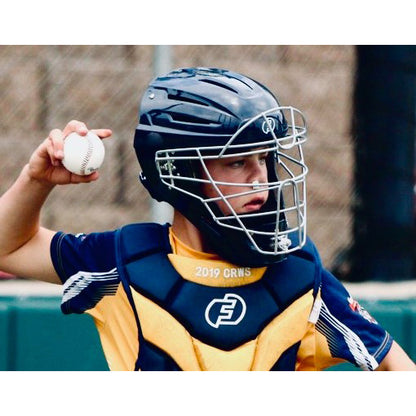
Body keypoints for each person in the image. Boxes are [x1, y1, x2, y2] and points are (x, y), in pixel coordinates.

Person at [0, 67, 414, 371]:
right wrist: (36, 180)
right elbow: (10, 248)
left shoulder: (300, 273)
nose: (263, 182)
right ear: (179, 173)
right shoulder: (122, 260)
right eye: (237, 162)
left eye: (265, 160)